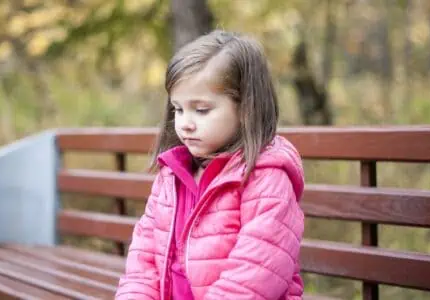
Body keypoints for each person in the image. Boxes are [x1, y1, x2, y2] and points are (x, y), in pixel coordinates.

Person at [116, 29, 305, 300]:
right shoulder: (173, 173)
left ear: (246, 109)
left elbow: (255, 275)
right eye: (178, 109)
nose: (185, 123)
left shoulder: (266, 177)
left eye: (201, 110)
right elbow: (144, 260)